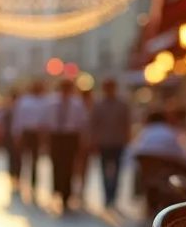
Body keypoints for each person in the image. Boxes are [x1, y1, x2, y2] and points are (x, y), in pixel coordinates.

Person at [43, 79, 88, 210]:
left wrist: (82, 140)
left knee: (69, 165)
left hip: (70, 137)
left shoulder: (78, 104)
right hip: (56, 136)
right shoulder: (52, 102)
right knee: (56, 164)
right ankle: (57, 188)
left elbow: (82, 123)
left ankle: (67, 194)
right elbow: (46, 122)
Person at [89, 78, 132, 209]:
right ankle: (107, 195)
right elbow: (94, 124)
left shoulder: (122, 105)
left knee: (118, 170)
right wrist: (94, 140)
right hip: (103, 142)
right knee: (104, 169)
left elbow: (126, 123)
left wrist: (127, 139)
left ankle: (113, 195)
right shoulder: (98, 105)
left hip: (118, 141)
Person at [10, 82, 49, 196]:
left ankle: (33, 182)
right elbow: (18, 119)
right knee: (22, 157)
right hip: (26, 132)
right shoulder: (24, 101)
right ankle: (19, 178)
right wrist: (17, 134)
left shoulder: (44, 102)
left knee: (35, 159)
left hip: (37, 132)